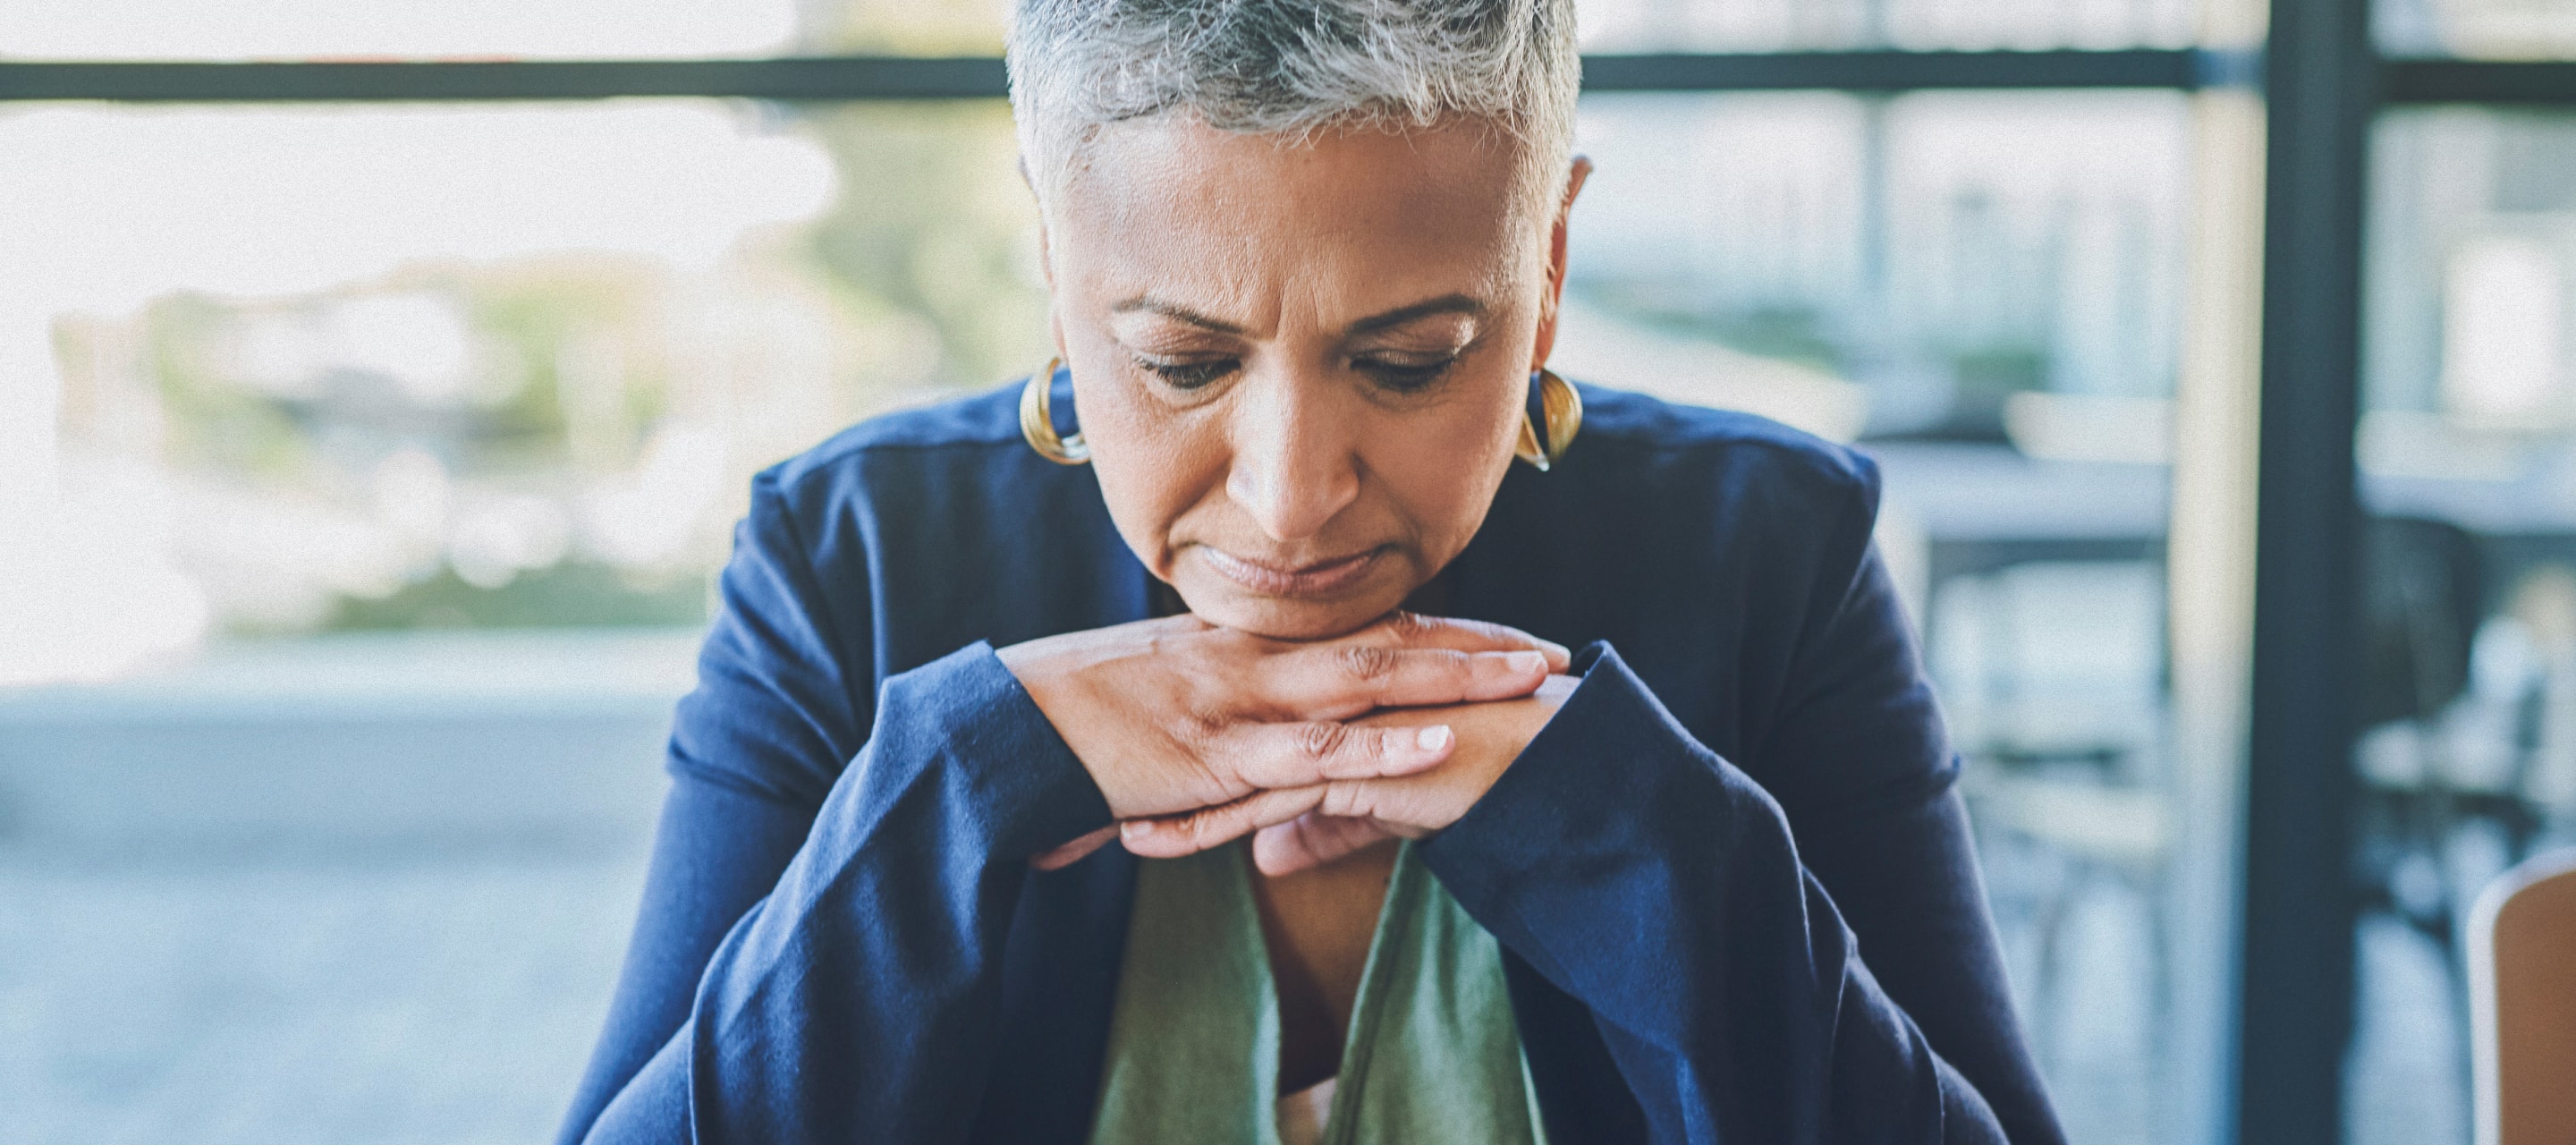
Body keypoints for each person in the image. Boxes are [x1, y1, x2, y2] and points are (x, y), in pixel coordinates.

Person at [558, 1, 2064, 1141]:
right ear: (1053, 261)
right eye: (1182, 360)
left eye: (1409, 363)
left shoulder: (1773, 555)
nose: (1293, 501)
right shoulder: (849, 565)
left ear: (1545, 274)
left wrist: (1634, 838)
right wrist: (953, 793)